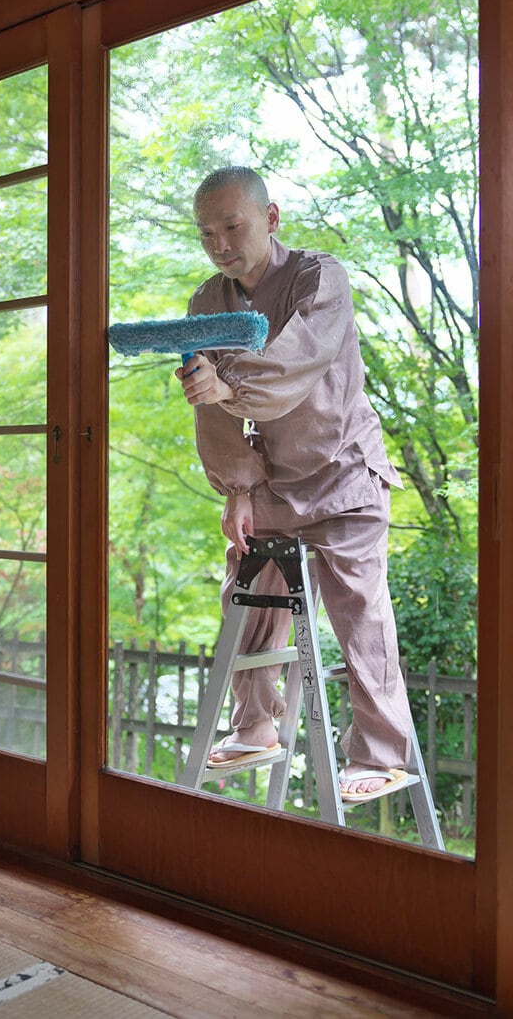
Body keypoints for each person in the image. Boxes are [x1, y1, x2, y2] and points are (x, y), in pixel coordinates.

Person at [175, 166, 413, 802]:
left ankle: (380, 752)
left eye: (233, 226)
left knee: (359, 610)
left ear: (271, 217)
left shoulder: (319, 278)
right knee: (246, 588)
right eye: (206, 233)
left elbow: (295, 362)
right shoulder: (206, 302)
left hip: (342, 469)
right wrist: (237, 487)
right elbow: (209, 407)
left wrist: (228, 385)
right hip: (272, 480)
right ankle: (255, 724)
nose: (221, 244)